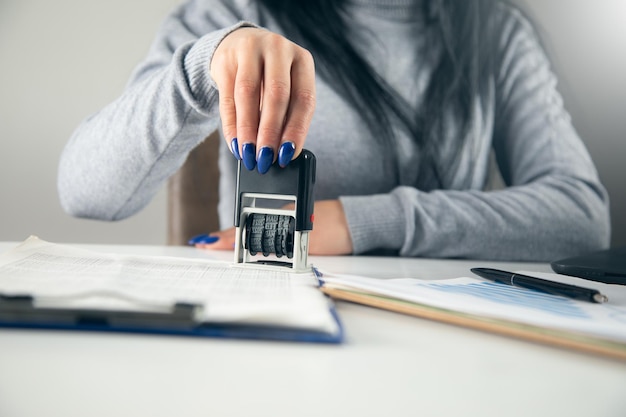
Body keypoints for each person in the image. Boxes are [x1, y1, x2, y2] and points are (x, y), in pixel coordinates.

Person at [58, 0, 610, 261]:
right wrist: (201, 68)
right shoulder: (229, 11)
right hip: (270, 323)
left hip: (451, 338)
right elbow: (85, 193)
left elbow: (582, 218)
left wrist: (359, 222)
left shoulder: (497, 33)